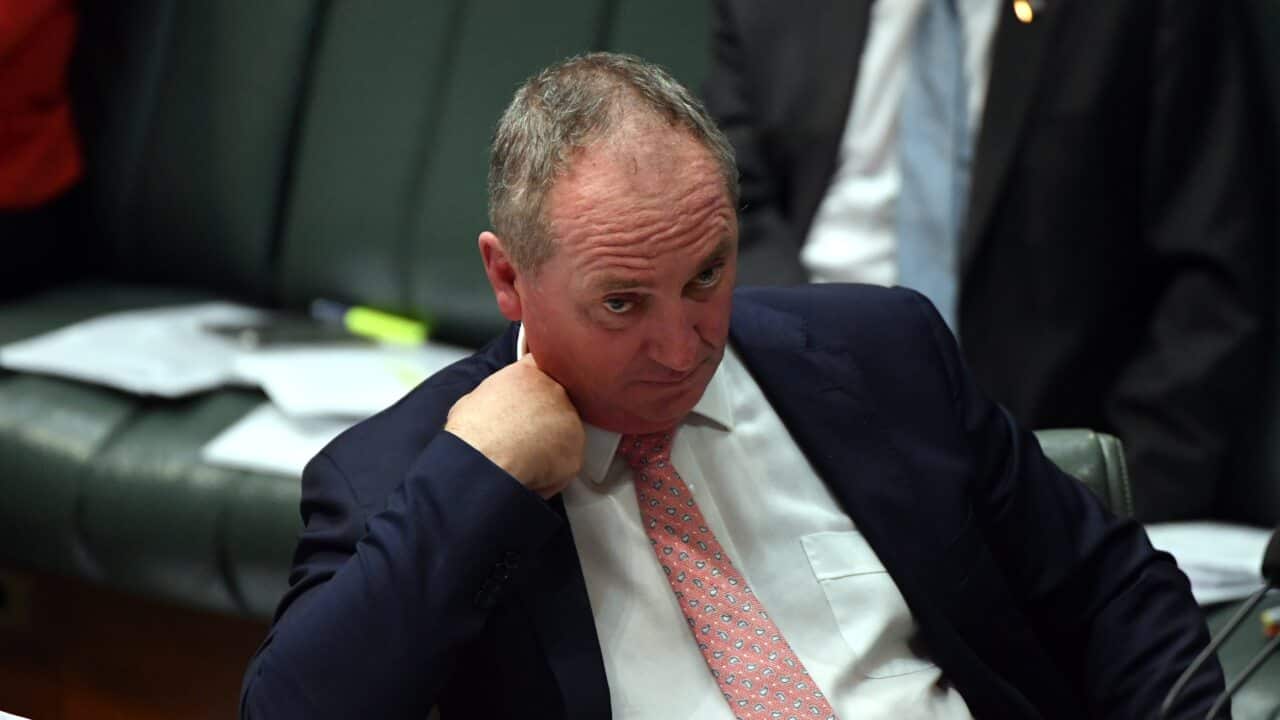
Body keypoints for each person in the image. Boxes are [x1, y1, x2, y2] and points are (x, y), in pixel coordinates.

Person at [240, 53, 1225, 719]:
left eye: (706, 275)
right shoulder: (397, 480)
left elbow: (1114, 596)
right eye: (622, 304)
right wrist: (475, 484)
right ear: (508, 278)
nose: (681, 347)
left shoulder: (880, 354)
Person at [702, 0, 1270, 523]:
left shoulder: (1145, 17)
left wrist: (1117, 497)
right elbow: (724, 208)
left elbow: (1215, 273)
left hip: (1035, 463)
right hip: (788, 420)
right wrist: (807, 373)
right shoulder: (772, 12)